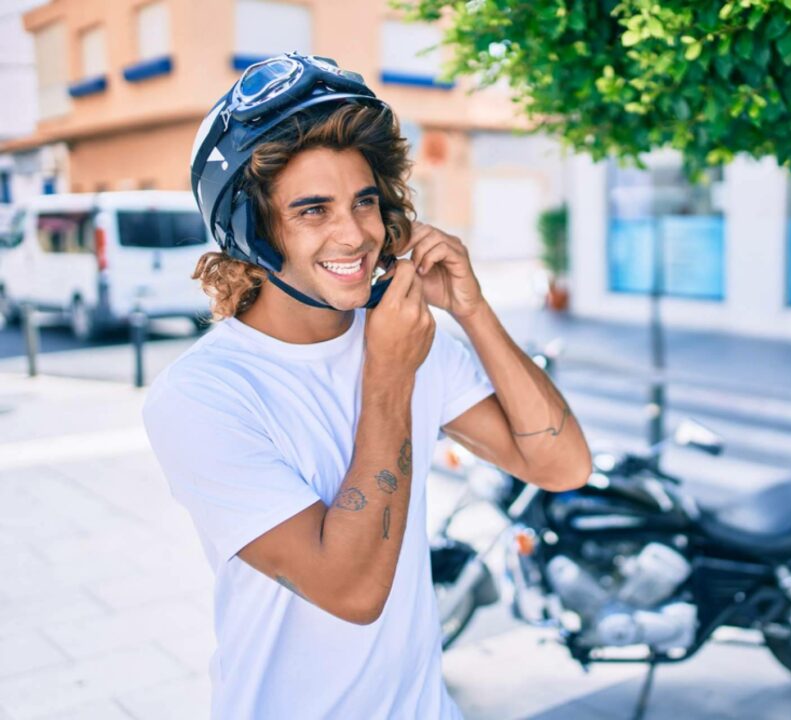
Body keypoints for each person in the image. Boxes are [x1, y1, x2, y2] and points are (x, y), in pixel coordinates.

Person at [142, 53, 592, 719]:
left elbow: (561, 465)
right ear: (252, 233)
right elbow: (351, 592)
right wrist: (387, 376)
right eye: (313, 210)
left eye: (364, 202)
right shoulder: (202, 397)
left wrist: (470, 308)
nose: (353, 233)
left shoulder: (409, 338)